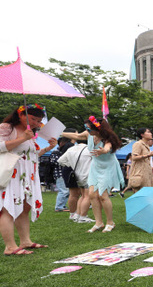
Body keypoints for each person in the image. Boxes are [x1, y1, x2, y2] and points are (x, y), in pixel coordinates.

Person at [0, 105, 56, 255]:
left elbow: (32, 154)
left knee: (25, 207)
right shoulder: (7, 128)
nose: (36, 123)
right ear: (21, 115)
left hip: (27, 175)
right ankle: (10, 247)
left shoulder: (30, 133)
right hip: (11, 174)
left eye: (38, 121)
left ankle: (25, 241)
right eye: (33, 119)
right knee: (7, 209)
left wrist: (48, 148)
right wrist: (22, 138)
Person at [61, 116, 124, 233]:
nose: (87, 131)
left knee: (103, 196)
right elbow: (77, 136)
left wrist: (103, 151)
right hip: (95, 167)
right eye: (86, 128)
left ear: (99, 129)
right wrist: (60, 133)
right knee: (92, 195)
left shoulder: (107, 139)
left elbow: (107, 148)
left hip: (108, 167)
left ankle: (110, 222)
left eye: (89, 129)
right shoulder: (89, 135)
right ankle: (98, 223)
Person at [58, 133, 93, 224]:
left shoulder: (71, 149)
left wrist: (72, 165)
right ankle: (82, 216)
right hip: (88, 174)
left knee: (77, 195)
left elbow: (61, 161)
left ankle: (76, 214)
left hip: (77, 175)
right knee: (87, 196)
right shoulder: (89, 149)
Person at [127, 127, 153, 194]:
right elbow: (134, 157)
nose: (150, 133)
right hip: (140, 174)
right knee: (141, 196)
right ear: (142, 135)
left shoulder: (146, 146)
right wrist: (148, 155)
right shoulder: (138, 144)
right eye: (148, 132)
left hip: (147, 174)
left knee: (148, 195)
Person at [51, 136, 73, 212]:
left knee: (66, 191)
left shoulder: (61, 152)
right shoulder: (56, 152)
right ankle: (59, 207)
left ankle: (62, 206)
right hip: (59, 174)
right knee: (63, 191)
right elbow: (55, 162)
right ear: (61, 143)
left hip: (64, 174)